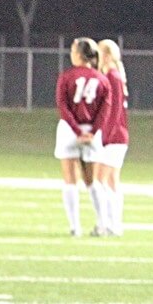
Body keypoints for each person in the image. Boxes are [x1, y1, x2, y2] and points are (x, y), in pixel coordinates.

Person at [54, 37, 113, 237]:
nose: (71, 54)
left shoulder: (67, 76)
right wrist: (93, 132)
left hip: (70, 131)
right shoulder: (103, 79)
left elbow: (63, 107)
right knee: (92, 182)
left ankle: (74, 227)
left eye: (72, 50)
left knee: (70, 181)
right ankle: (102, 224)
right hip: (92, 133)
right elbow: (105, 111)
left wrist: (78, 131)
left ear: (79, 54)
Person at [93, 39, 129, 235]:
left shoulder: (112, 76)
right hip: (118, 135)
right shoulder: (114, 75)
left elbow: (113, 110)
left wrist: (104, 136)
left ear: (106, 55)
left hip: (113, 137)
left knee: (100, 181)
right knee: (112, 181)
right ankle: (115, 226)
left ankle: (106, 225)